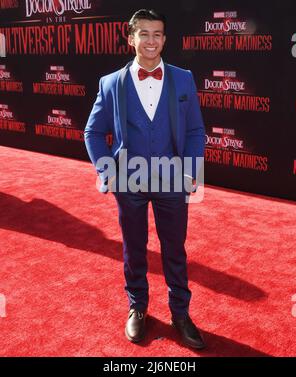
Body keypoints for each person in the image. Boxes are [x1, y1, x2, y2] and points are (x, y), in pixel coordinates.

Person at [84, 9, 206, 349]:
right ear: (131, 38)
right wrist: (107, 171)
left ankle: (180, 313)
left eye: (157, 34)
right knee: (133, 248)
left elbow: (196, 130)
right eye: (144, 34)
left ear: (164, 39)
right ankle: (137, 307)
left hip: (171, 179)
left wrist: (189, 170)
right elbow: (92, 133)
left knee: (175, 250)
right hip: (129, 181)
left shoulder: (183, 79)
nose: (151, 41)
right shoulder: (110, 84)